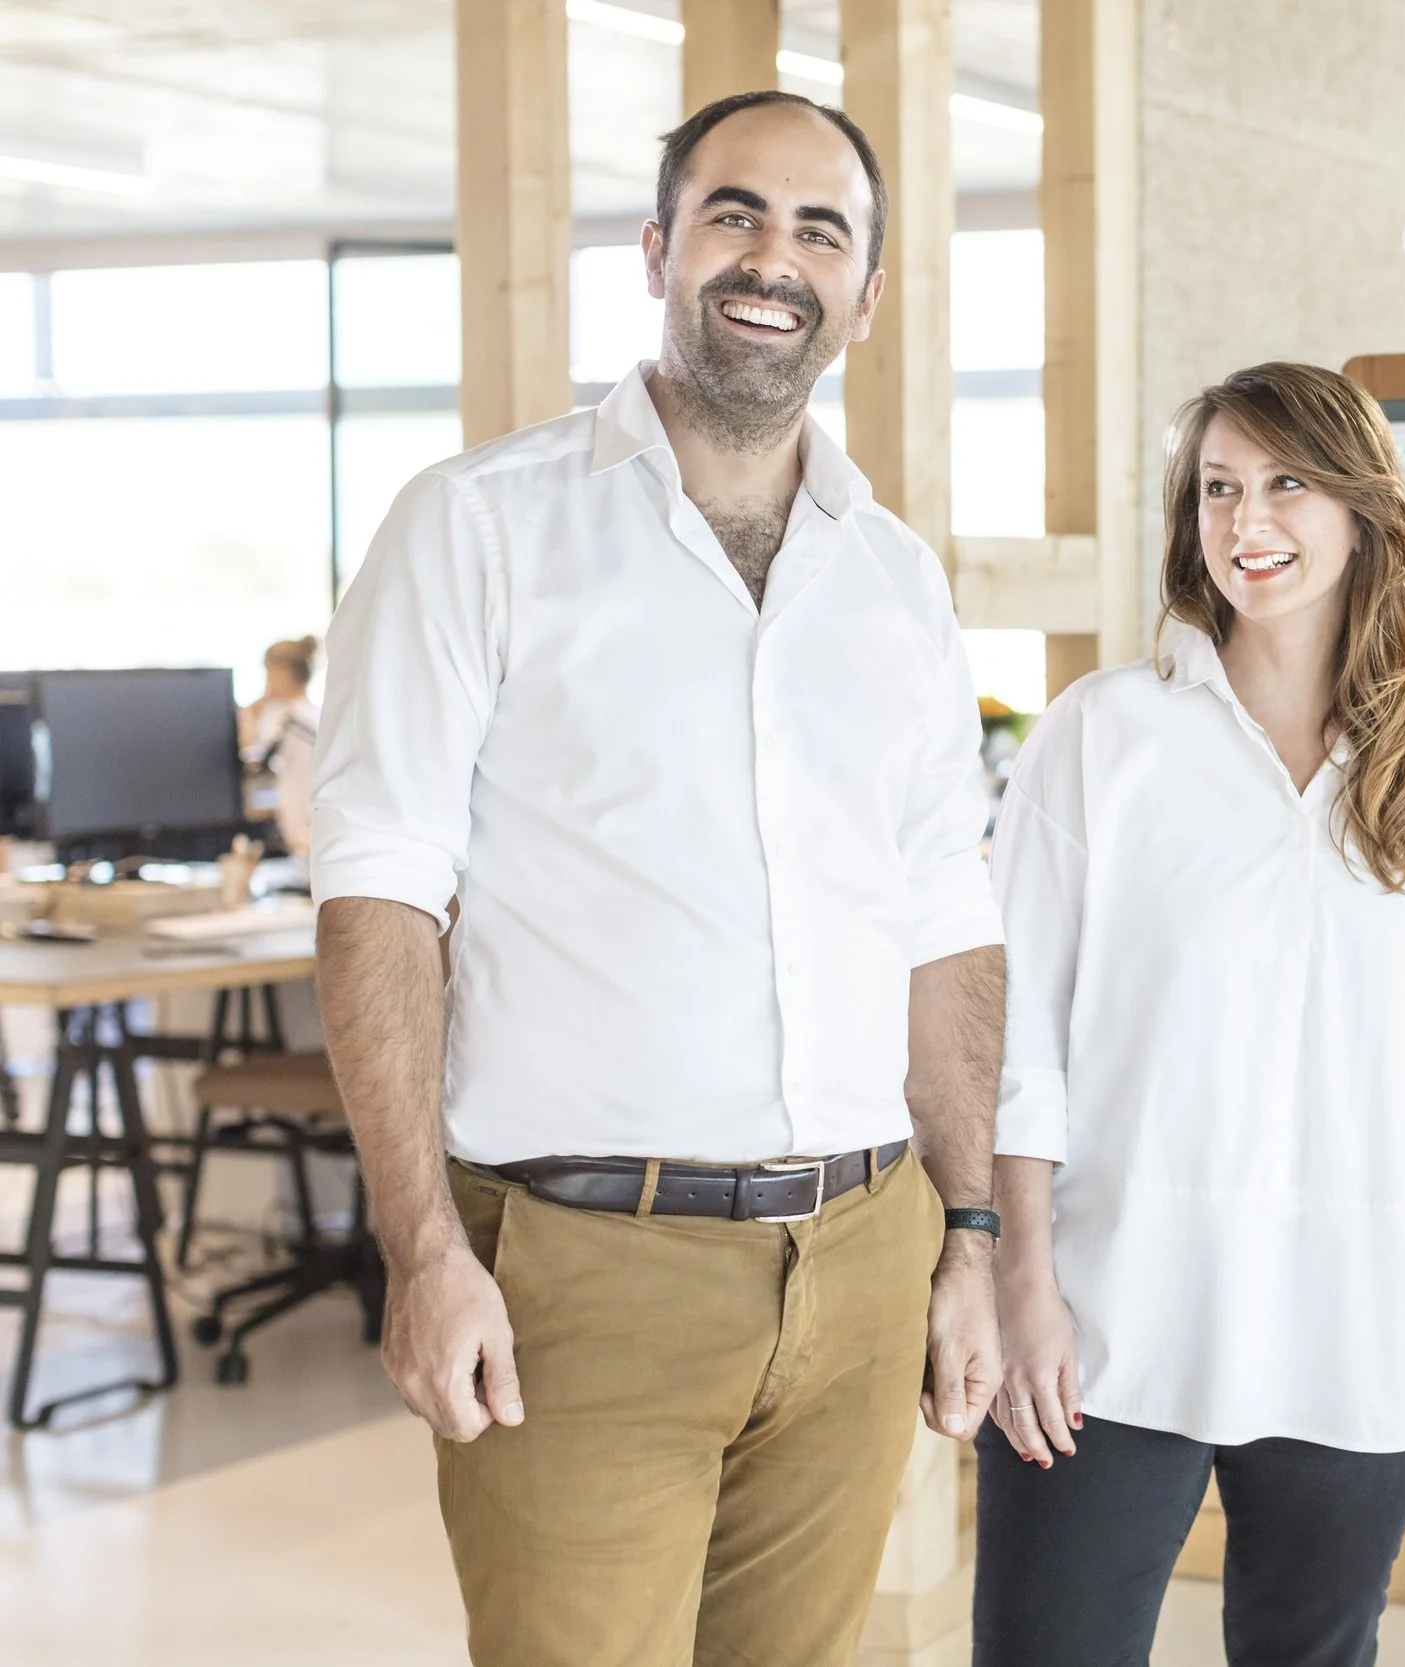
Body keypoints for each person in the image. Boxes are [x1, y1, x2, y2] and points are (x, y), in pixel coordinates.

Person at [310, 90, 1006, 1667]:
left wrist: (969, 1232)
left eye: (822, 230)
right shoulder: (477, 528)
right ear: (658, 251)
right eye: (736, 214)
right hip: (580, 1271)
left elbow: (945, 923)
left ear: (867, 296)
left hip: (862, 1255)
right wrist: (422, 1248)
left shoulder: (893, 578)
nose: (775, 257)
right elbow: (379, 901)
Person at [974, 362, 1405, 1666]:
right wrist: (1018, 1277)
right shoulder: (1101, 734)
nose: (1249, 521)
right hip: (1112, 1307)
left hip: (1363, 1310)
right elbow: (1014, 1035)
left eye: (1287, 484)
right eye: (1219, 489)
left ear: (1360, 510)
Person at [240, 635, 319, 857]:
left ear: (283, 671)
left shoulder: (287, 718)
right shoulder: (314, 714)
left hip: (302, 813)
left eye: (268, 672)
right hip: (306, 812)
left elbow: (252, 760)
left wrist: (250, 716)